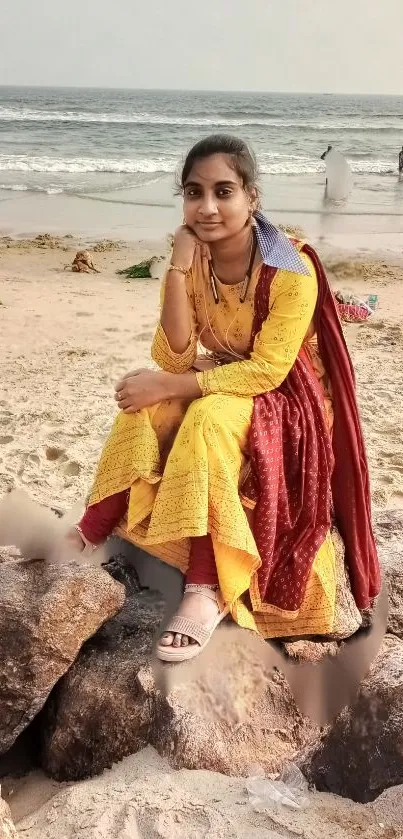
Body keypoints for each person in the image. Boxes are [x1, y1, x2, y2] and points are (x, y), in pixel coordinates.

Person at [64, 134, 380, 663]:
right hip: (221, 374)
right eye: (193, 192)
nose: (207, 207)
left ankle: (206, 590)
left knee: (205, 416)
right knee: (147, 404)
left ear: (252, 197)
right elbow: (173, 352)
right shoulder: (197, 258)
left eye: (223, 191)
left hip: (288, 395)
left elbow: (269, 369)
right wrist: (177, 266)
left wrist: (174, 383)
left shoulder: (291, 268)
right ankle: (92, 529)